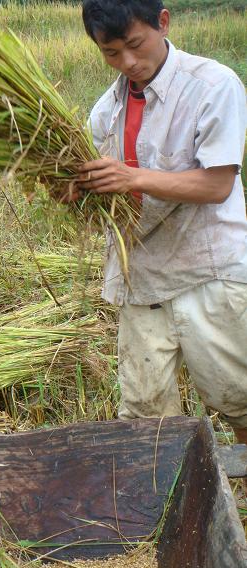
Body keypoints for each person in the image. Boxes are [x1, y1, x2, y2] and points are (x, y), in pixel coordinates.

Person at [72, 0, 247, 443]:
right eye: (111, 53)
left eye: (135, 44)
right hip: (142, 277)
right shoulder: (103, 113)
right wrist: (77, 193)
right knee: (145, 414)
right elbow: (114, 203)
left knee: (239, 399)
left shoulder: (213, 85)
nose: (128, 62)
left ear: (163, 22)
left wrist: (133, 176)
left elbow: (216, 185)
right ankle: (166, 501)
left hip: (206, 273)